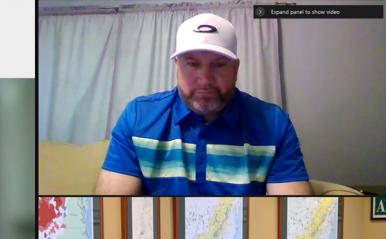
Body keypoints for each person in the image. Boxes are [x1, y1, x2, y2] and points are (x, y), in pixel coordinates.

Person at [96, 13, 312, 196]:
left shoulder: (274, 123)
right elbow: (111, 213)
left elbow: (292, 217)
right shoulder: (138, 117)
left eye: (219, 65)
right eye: (192, 64)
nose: (205, 80)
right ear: (177, 66)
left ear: (236, 69)